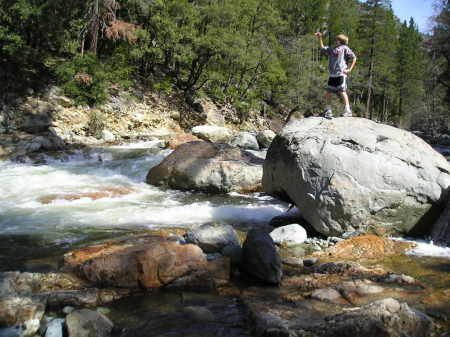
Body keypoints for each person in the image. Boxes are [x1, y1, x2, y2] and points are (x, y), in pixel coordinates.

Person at [314, 32, 357, 118]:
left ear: (340, 41)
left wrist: (349, 69)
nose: (335, 41)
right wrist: (320, 38)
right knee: (328, 92)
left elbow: (354, 58)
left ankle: (348, 110)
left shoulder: (345, 48)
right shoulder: (332, 49)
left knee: (342, 91)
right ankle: (328, 111)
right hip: (332, 75)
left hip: (341, 74)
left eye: (337, 40)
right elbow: (322, 47)